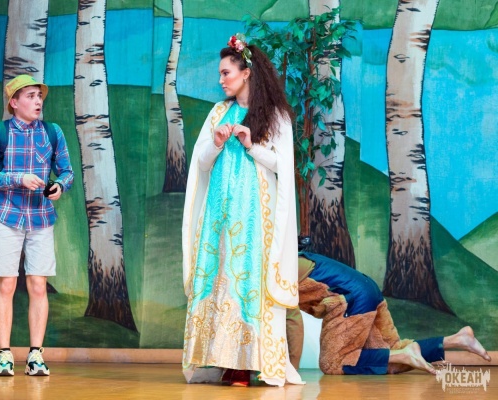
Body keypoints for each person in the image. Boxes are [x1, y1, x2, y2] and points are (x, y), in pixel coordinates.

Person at [181, 34, 303, 387]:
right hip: (219, 213)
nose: (221, 80)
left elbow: (282, 165)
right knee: (218, 278)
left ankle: (246, 363)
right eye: (221, 74)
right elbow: (201, 164)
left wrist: (251, 145)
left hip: (254, 216)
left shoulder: (275, 115)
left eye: (226, 73)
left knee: (246, 280)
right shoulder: (218, 112)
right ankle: (221, 358)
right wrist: (217, 144)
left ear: (246, 72)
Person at [0, 74, 74, 376]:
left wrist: (59, 185)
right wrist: (18, 178)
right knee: (6, 284)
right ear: (14, 102)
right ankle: (4, 355)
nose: (37, 101)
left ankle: (36, 356)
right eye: (30, 96)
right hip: (7, 216)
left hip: (41, 218)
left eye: (39, 96)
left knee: (38, 285)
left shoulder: (52, 132)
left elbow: (67, 171)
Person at [286, 252, 492, 375]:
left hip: (351, 299)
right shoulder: (294, 258)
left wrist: (291, 372)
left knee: (333, 363)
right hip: (368, 290)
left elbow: (292, 319)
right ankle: (456, 340)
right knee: (391, 356)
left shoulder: (280, 269)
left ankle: (405, 353)